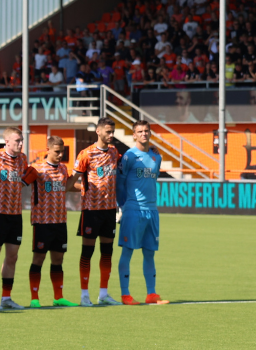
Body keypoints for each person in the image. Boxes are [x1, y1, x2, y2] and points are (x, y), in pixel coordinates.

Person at [0, 127, 37, 310]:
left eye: (21, 140)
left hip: (15, 215)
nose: (20, 143)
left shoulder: (23, 159)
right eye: (17, 140)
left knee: (12, 256)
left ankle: (6, 298)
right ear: (7, 142)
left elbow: (29, 174)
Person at [69, 119, 120, 307]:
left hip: (109, 211)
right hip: (91, 210)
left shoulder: (114, 152)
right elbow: (70, 183)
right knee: (87, 253)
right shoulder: (86, 154)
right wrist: (84, 189)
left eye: (112, 131)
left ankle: (104, 294)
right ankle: (84, 295)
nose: (111, 134)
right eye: (108, 131)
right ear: (98, 131)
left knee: (107, 253)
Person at [116, 121, 166, 305]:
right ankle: (125, 294)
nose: (144, 134)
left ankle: (151, 294)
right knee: (128, 252)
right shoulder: (129, 156)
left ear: (150, 134)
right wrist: (121, 206)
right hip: (133, 210)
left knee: (150, 253)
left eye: (146, 131)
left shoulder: (156, 157)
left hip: (152, 210)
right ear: (134, 135)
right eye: (140, 131)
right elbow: (119, 183)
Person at [27, 136, 78, 308]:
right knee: (38, 259)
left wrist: (83, 182)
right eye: (57, 151)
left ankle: (58, 297)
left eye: (62, 151)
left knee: (58, 259)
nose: (60, 154)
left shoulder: (63, 168)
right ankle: (34, 298)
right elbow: (23, 182)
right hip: (42, 221)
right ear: (47, 150)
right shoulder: (36, 168)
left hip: (60, 220)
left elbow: (67, 186)